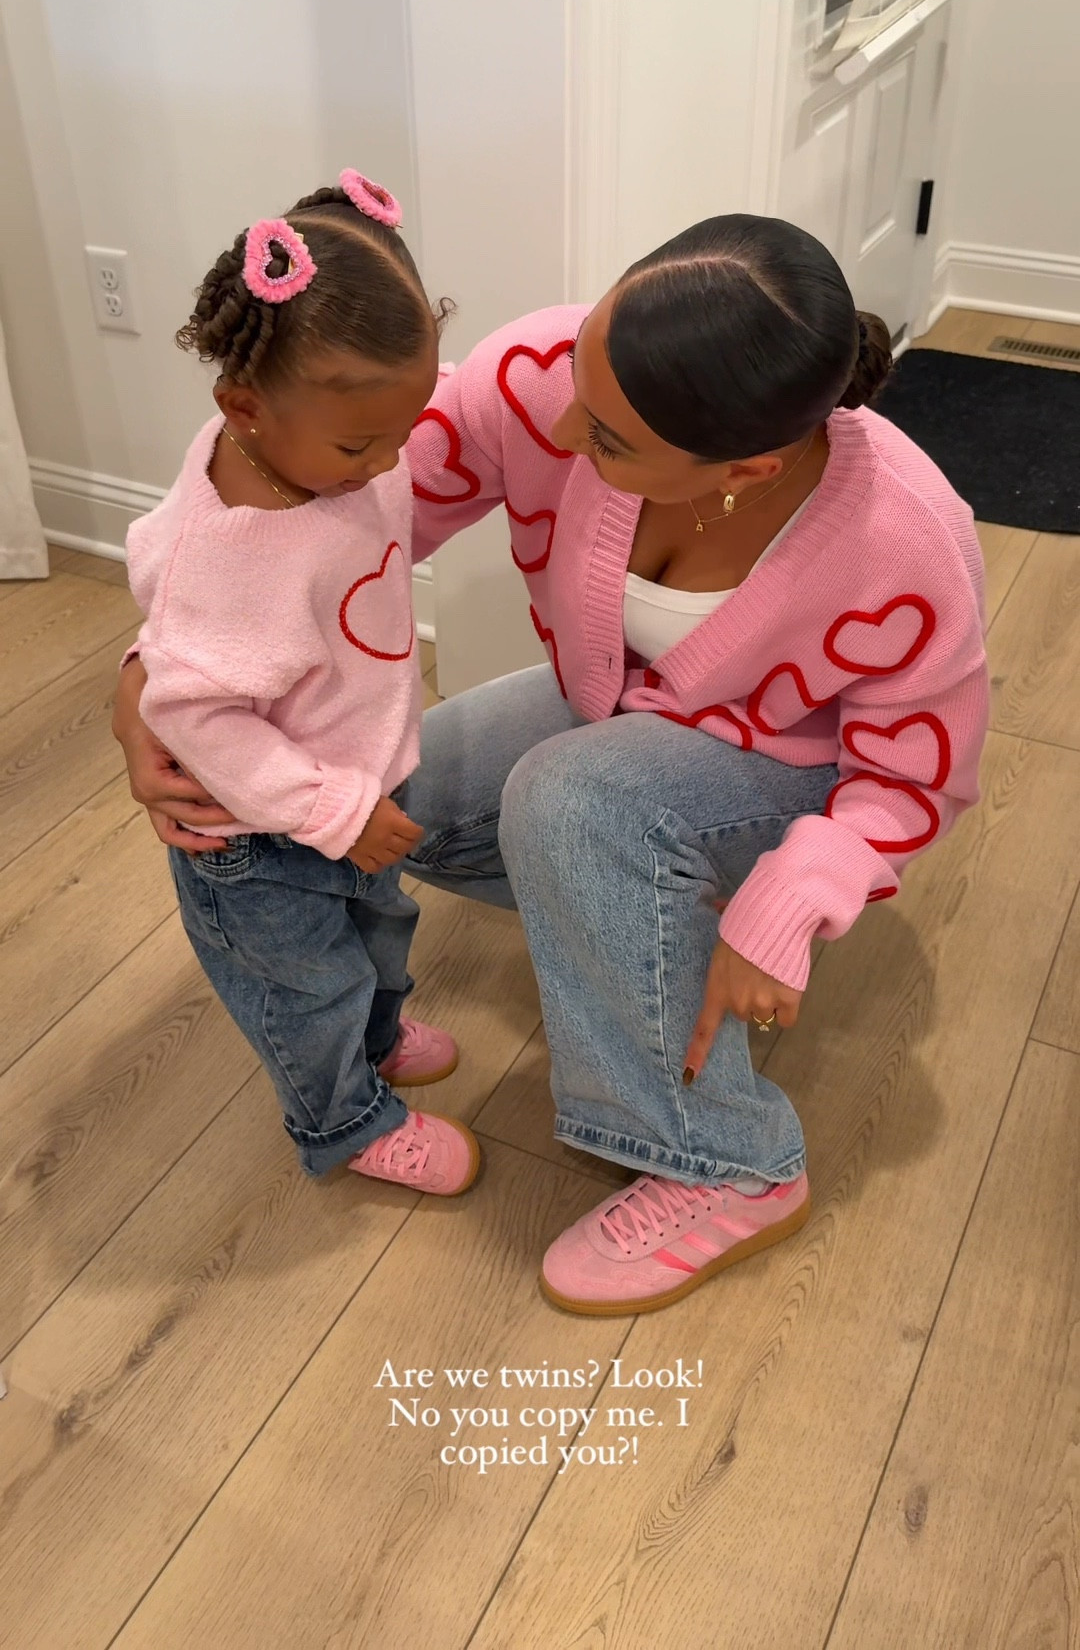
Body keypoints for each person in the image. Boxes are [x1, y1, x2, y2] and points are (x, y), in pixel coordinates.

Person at [115, 213, 989, 1316]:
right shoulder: (543, 377)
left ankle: (728, 1162)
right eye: (583, 373)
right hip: (613, 714)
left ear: (747, 466)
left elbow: (915, 777)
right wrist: (153, 677)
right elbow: (322, 510)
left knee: (572, 803)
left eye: (613, 441)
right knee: (380, 789)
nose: (565, 425)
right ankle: (644, 908)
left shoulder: (904, 538)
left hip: (792, 775)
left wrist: (790, 903)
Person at [122, 170, 479, 1197]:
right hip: (263, 841)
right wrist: (331, 810)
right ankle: (346, 1119)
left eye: (405, 429)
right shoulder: (232, 551)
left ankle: (375, 1037)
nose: (390, 462)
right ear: (242, 407)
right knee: (306, 988)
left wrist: (357, 803)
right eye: (363, 443)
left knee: (381, 939)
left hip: (355, 792)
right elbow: (190, 710)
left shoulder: (325, 458)